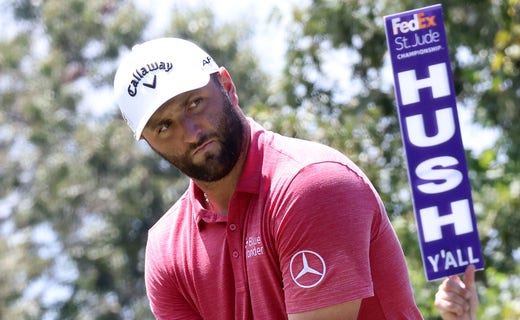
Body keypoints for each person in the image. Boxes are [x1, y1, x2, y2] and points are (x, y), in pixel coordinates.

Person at [113, 37, 424, 319]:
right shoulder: (166, 248)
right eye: (165, 127)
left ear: (227, 87)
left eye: (196, 103)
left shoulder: (310, 185)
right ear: (149, 143)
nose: (192, 133)